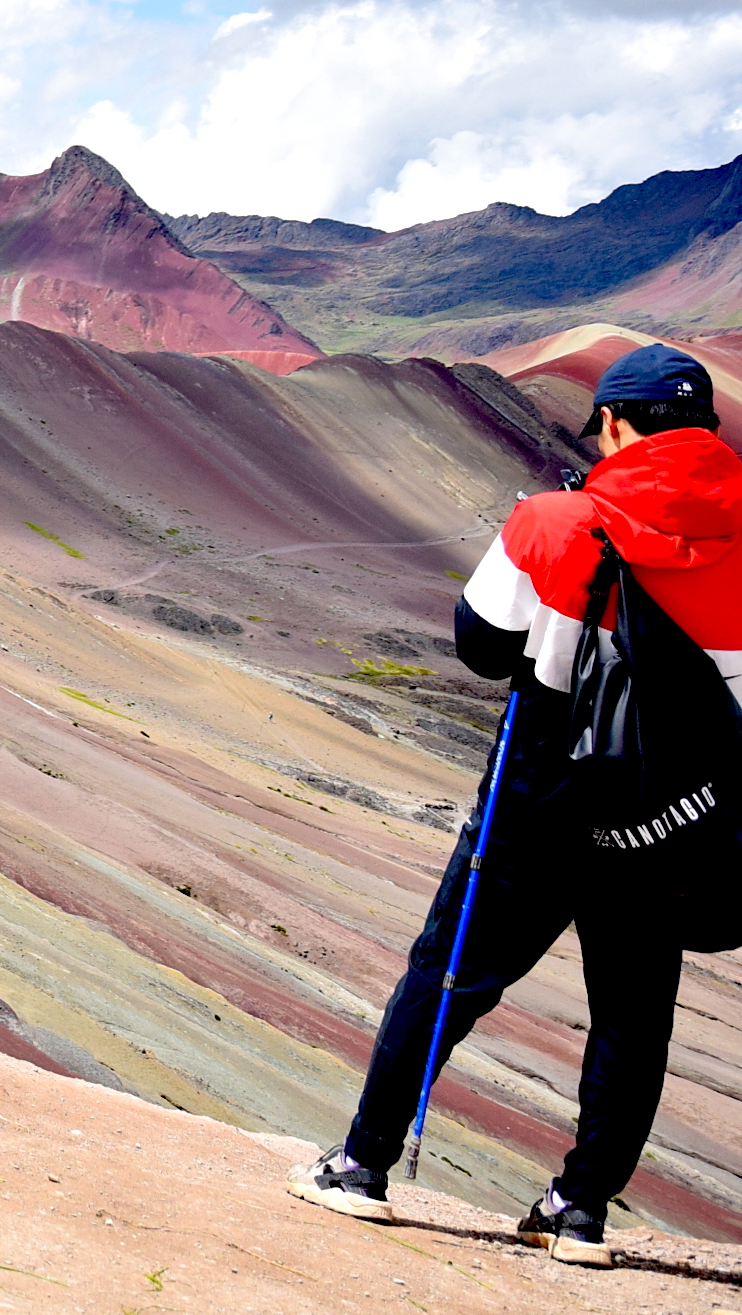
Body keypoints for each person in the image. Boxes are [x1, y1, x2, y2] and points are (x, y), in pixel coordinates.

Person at [291, 344, 737, 1266]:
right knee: (633, 1011)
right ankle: (578, 1213)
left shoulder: (554, 520)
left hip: (537, 806)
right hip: (667, 826)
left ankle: (363, 1167)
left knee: (446, 976)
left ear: (615, 424)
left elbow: (482, 647)